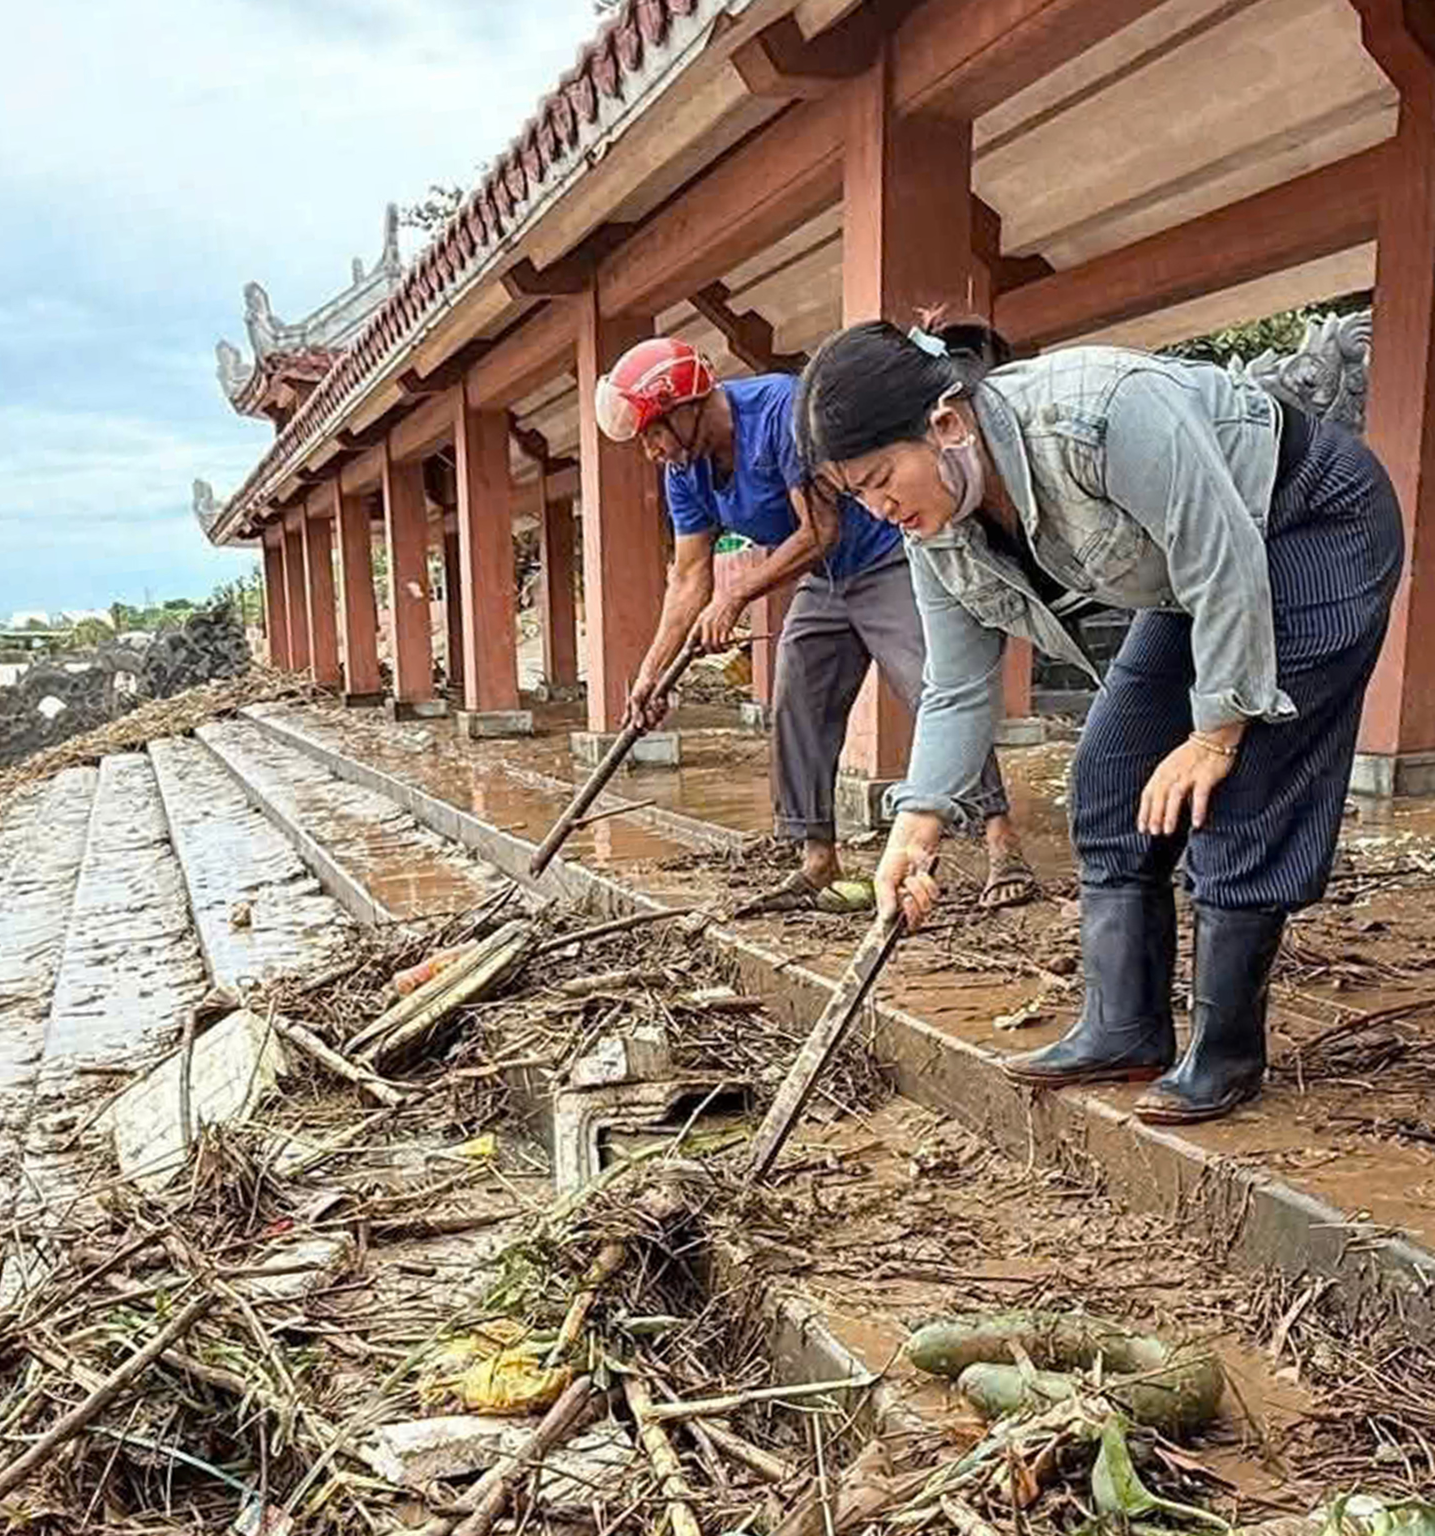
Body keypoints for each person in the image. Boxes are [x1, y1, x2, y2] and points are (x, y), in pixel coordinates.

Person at [792, 318, 1402, 1124]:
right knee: (1109, 774)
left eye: (879, 479)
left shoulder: (1103, 411)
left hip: (1310, 521)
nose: (879, 509)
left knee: (1244, 785)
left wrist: (1213, 734)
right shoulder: (935, 528)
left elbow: (1223, 557)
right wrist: (918, 821)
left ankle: (1225, 1054)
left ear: (945, 423)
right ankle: (1123, 1026)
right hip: (1196, 578)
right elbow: (957, 685)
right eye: (857, 495)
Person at [594, 335, 1036, 912]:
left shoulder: (780, 411)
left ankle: (1000, 839)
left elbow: (818, 531)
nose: (652, 449)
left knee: (931, 687)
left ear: (688, 407)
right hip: (826, 579)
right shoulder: (685, 469)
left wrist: (736, 598)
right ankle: (817, 858)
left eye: (654, 431)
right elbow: (687, 577)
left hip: (884, 557)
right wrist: (652, 675)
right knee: (797, 698)